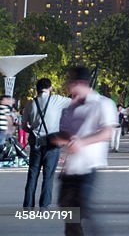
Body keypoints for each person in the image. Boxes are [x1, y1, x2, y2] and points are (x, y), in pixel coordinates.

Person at [54, 65, 117, 236]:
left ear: (81, 83)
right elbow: (66, 133)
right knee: (68, 212)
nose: (69, 87)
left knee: (83, 211)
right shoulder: (70, 107)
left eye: (71, 83)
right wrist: (60, 139)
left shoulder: (103, 104)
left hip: (88, 166)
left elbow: (107, 132)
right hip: (69, 168)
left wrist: (82, 142)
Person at [22, 78, 70, 210]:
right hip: (52, 144)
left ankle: (27, 206)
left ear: (37, 89)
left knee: (32, 175)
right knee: (48, 176)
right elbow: (75, 102)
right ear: (50, 87)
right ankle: (44, 205)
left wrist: (32, 131)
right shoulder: (57, 100)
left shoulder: (30, 103)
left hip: (36, 144)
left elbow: (24, 126)